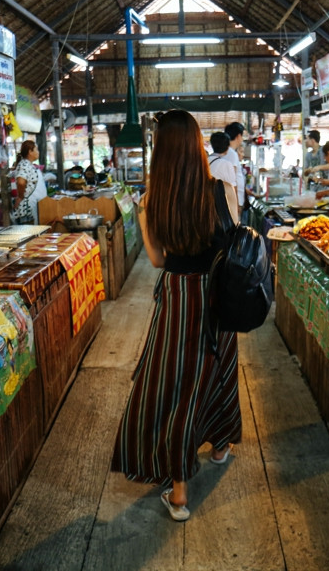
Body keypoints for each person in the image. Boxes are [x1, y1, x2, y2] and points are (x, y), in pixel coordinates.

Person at [111, 110, 241, 523]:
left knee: (176, 386)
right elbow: (233, 246)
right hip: (218, 297)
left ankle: (180, 489)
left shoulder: (152, 200)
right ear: (197, 145)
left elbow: (156, 259)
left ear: (160, 152)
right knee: (218, 370)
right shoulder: (222, 190)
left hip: (178, 298)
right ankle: (218, 447)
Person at [10, 140, 47, 224]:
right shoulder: (24, 165)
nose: (38, 152)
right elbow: (21, 182)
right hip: (27, 207)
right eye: (36, 149)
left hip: (33, 205)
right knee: (29, 232)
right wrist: (20, 196)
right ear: (30, 152)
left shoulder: (28, 164)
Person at [208, 131, 238, 214]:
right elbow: (232, 189)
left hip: (206, 204)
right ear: (227, 147)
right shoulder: (226, 165)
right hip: (221, 207)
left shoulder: (204, 161)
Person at [224, 121, 248, 213]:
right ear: (238, 136)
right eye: (242, 136)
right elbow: (232, 180)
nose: (242, 139)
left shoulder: (229, 152)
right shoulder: (231, 153)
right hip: (232, 202)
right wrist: (236, 203)